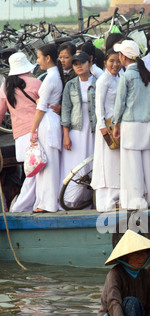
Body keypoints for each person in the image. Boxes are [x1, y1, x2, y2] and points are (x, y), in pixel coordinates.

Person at [112, 40, 150, 210]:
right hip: (146, 124)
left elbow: (119, 104)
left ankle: (135, 201)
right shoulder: (147, 74)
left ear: (123, 56)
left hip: (130, 125)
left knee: (131, 165)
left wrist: (115, 124)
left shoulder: (126, 76)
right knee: (149, 164)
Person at [0, 52, 42, 212]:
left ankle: (28, 204)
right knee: (39, 174)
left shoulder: (5, 87)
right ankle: (23, 206)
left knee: (30, 172)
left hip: (20, 137)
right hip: (37, 133)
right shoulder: (36, 83)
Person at [29, 44, 64, 213]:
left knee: (48, 163)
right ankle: (45, 201)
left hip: (47, 121)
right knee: (47, 162)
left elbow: (41, 108)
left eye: (39, 57)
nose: (37, 60)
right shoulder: (55, 75)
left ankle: (48, 203)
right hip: (51, 119)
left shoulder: (50, 78)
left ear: (47, 58)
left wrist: (33, 130)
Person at [60, 52, 97, 209]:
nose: (79, 66)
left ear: (89, 62)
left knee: (91, 164)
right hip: (76, 130)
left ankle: (89, 200)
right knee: (75, 165)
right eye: (75, 64)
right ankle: (70, 201)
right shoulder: (71, 85)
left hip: (94, 130)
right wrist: (66, 135)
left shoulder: (99, 82)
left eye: (81, 62)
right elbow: (66, 110)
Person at [91, 48, 121, 212]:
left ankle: (116, 198)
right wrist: (102, 128)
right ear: (105, 62)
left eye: (118, 61)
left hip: (115, 125)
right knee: (106, 164)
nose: (115, 64)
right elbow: (98, 107)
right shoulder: (103, 80)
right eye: (111, 61)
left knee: (115, 163)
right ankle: (105, 202)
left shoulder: (118, 78)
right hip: (106, 127)